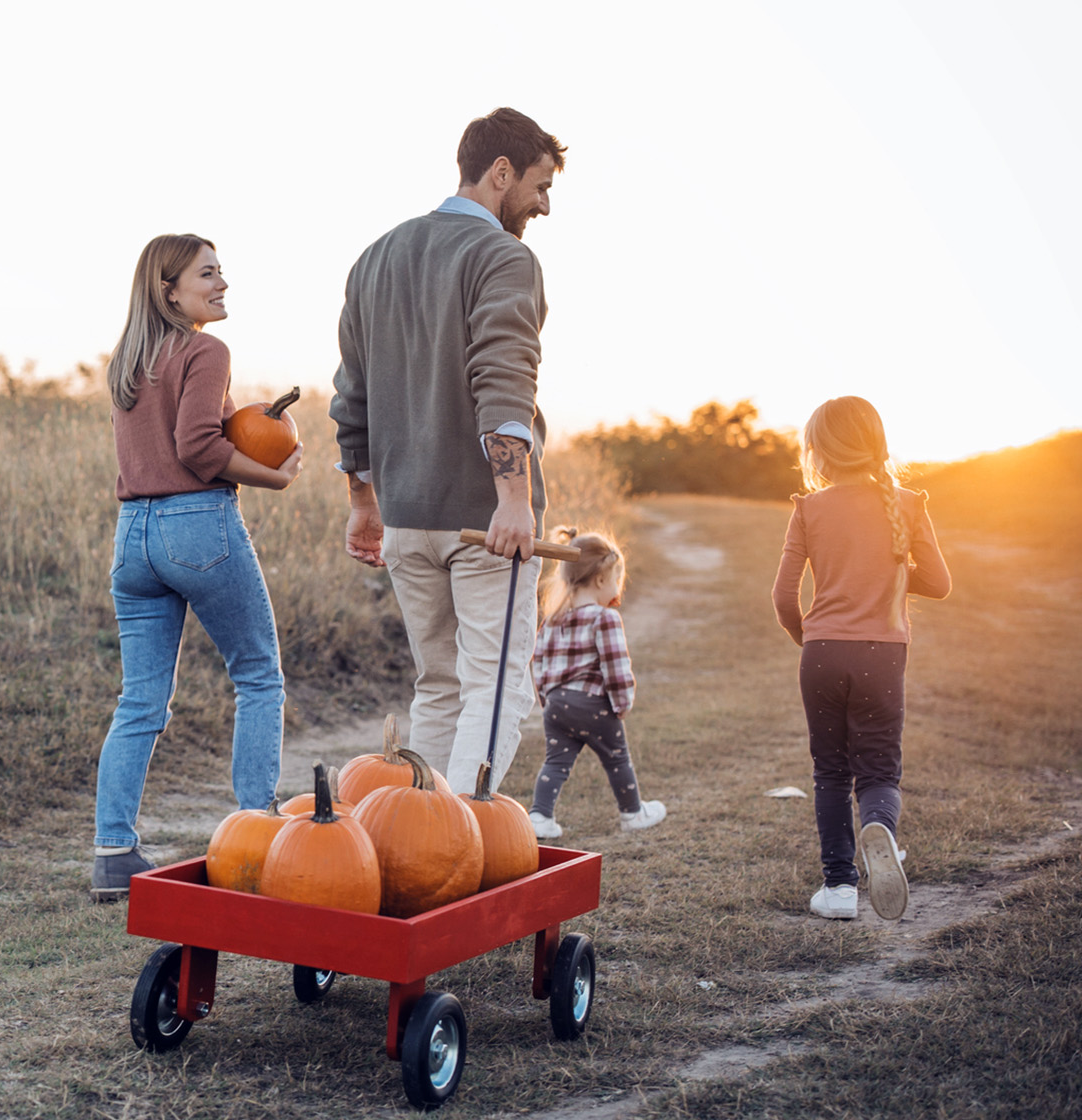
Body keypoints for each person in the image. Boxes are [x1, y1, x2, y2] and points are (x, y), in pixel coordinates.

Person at [330, 107, 566, 790]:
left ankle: (411, 839)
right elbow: (503, 380)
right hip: (485, 522)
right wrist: (515, 500)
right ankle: (456, 838)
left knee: (437, 686)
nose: (544, 204)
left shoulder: (376, 256)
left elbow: (352, 395)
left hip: (406, 519)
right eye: (540, 184)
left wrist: (364, 503)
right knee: (496, 690)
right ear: (500, 172)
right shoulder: (504, 256)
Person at [91, 233, 304, 901]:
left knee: (141, 701)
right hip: (196, 527)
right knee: (259, 674)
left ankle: (113, 852)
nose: (222, 284)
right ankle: (257, 838)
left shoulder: (129, 361)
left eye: (221, 273)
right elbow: (197, 444)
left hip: (134, 537)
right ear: (170, 289)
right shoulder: (206, 349)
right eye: (207, 274)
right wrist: (274, 476)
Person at [773, 396, 951, 921]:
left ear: (819, 453)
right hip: (884, 656)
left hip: (823, 653)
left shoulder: (808, 508)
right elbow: (940, 583)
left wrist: (806, 637)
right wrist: (890, 575)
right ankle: (882, 833)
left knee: (829, 773)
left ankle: (840, 889)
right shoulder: (908, 503)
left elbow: (784, 598)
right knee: (878, 773)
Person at [527, 529, 667, 838]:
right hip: (592, 705)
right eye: (617, 579)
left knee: (555, 762)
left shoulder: (551, 619)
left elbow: (538, 662)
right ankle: (632, 813)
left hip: (556, 704)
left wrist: (547, 701)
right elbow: (615, 666)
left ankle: (539, 816)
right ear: (601, 580)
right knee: (617, 758)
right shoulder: (605, 619)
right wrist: (622, 703)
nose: (618, 587)